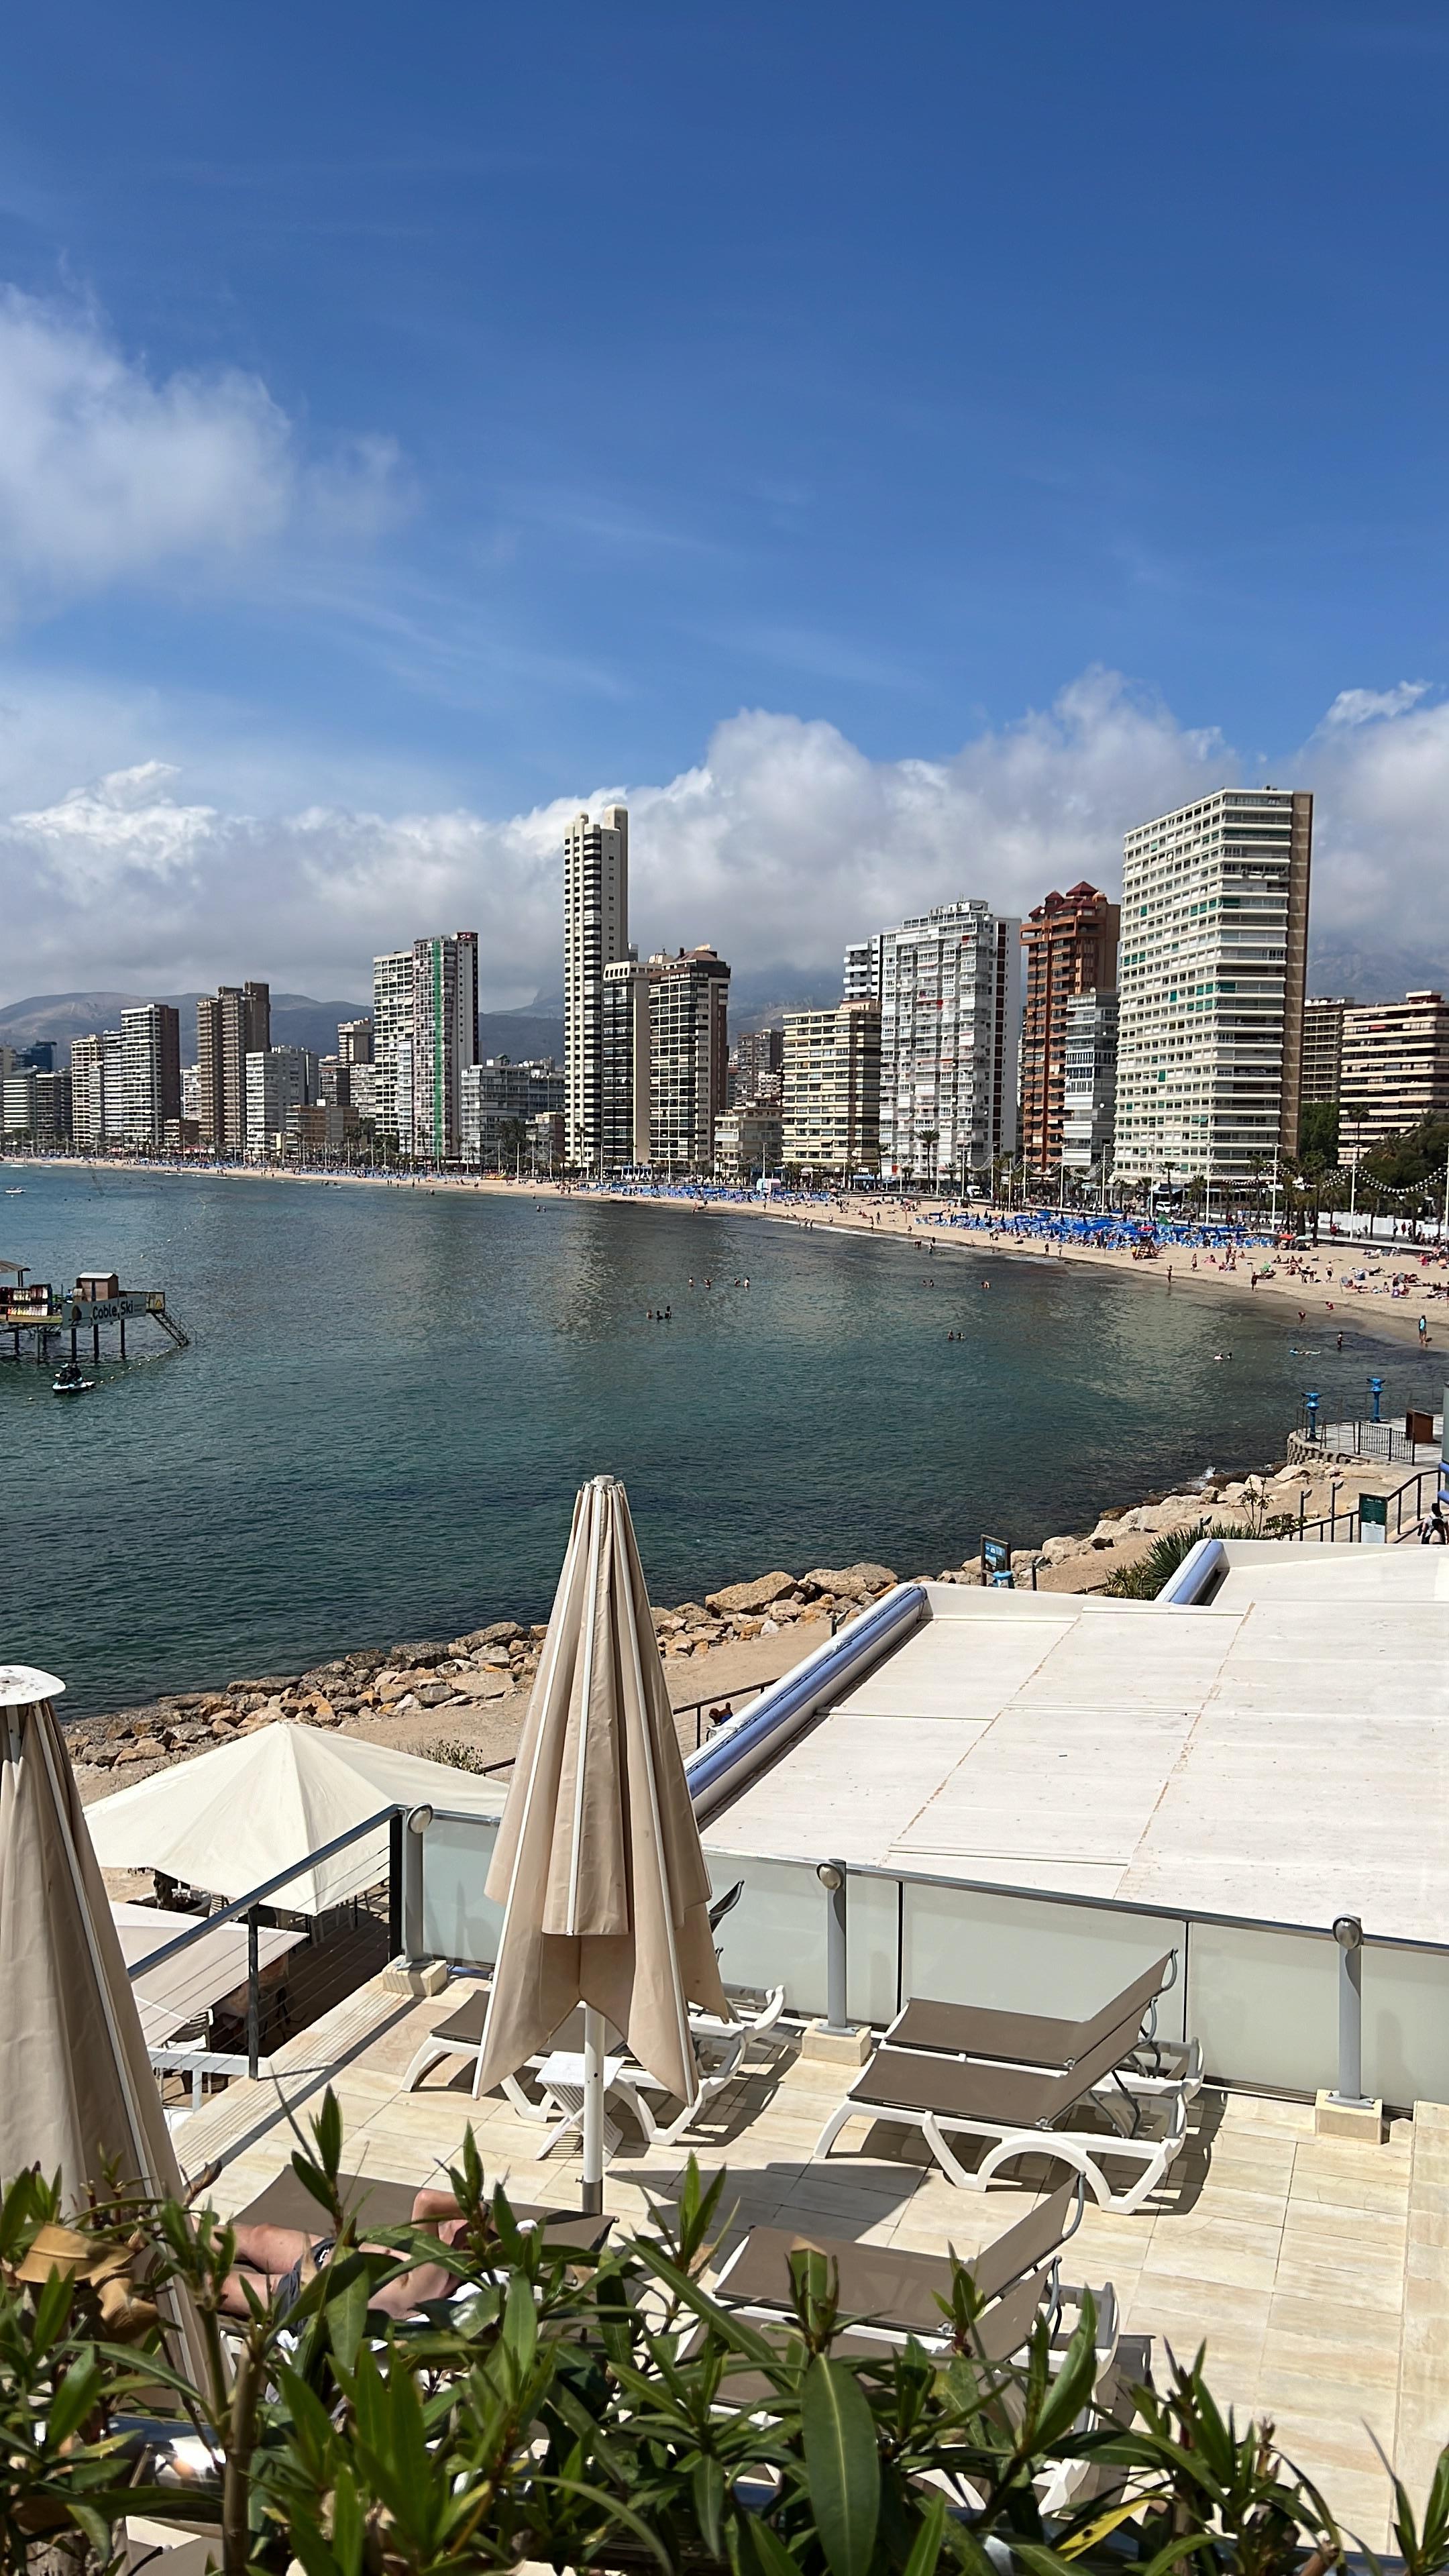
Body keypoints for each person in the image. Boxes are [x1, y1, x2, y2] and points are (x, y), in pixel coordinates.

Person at [220, 2186, 472, 2322]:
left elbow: (426, 2201)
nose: (456, 2220)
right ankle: (185, 2223)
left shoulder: (433, 2272)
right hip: (327, 2252)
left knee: (217, 2284)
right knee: (258, 2235)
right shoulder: (430, 2251)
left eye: (464, 2222)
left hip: (308, 2296)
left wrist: (482, 2209)